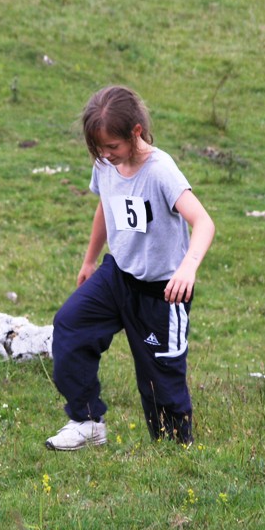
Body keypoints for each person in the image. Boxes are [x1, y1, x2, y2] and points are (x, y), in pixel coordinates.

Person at [45, 86, 215, 451]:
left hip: (163, 291)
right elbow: (106, 206)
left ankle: (176, 451)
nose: (106, 154)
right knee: (70, 327)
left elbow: (204, 222)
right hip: (118, 277)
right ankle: (87, 421)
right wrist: (90, 259)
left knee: (159, 381)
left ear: (136, 131)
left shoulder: (160, 171)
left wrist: (188, 267)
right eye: (99, 148)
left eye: (112, 146)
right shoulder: (105, 163)